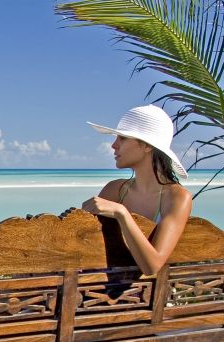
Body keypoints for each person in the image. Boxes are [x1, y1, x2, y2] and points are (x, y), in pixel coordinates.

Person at [80, 104, 192, 275]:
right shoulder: (114, 189)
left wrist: (122, 213)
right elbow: (80, 240)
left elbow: (152, 266)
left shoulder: (177, 197)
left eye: (122, 138)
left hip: (135, 297)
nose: (113, 145)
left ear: (147, 145)